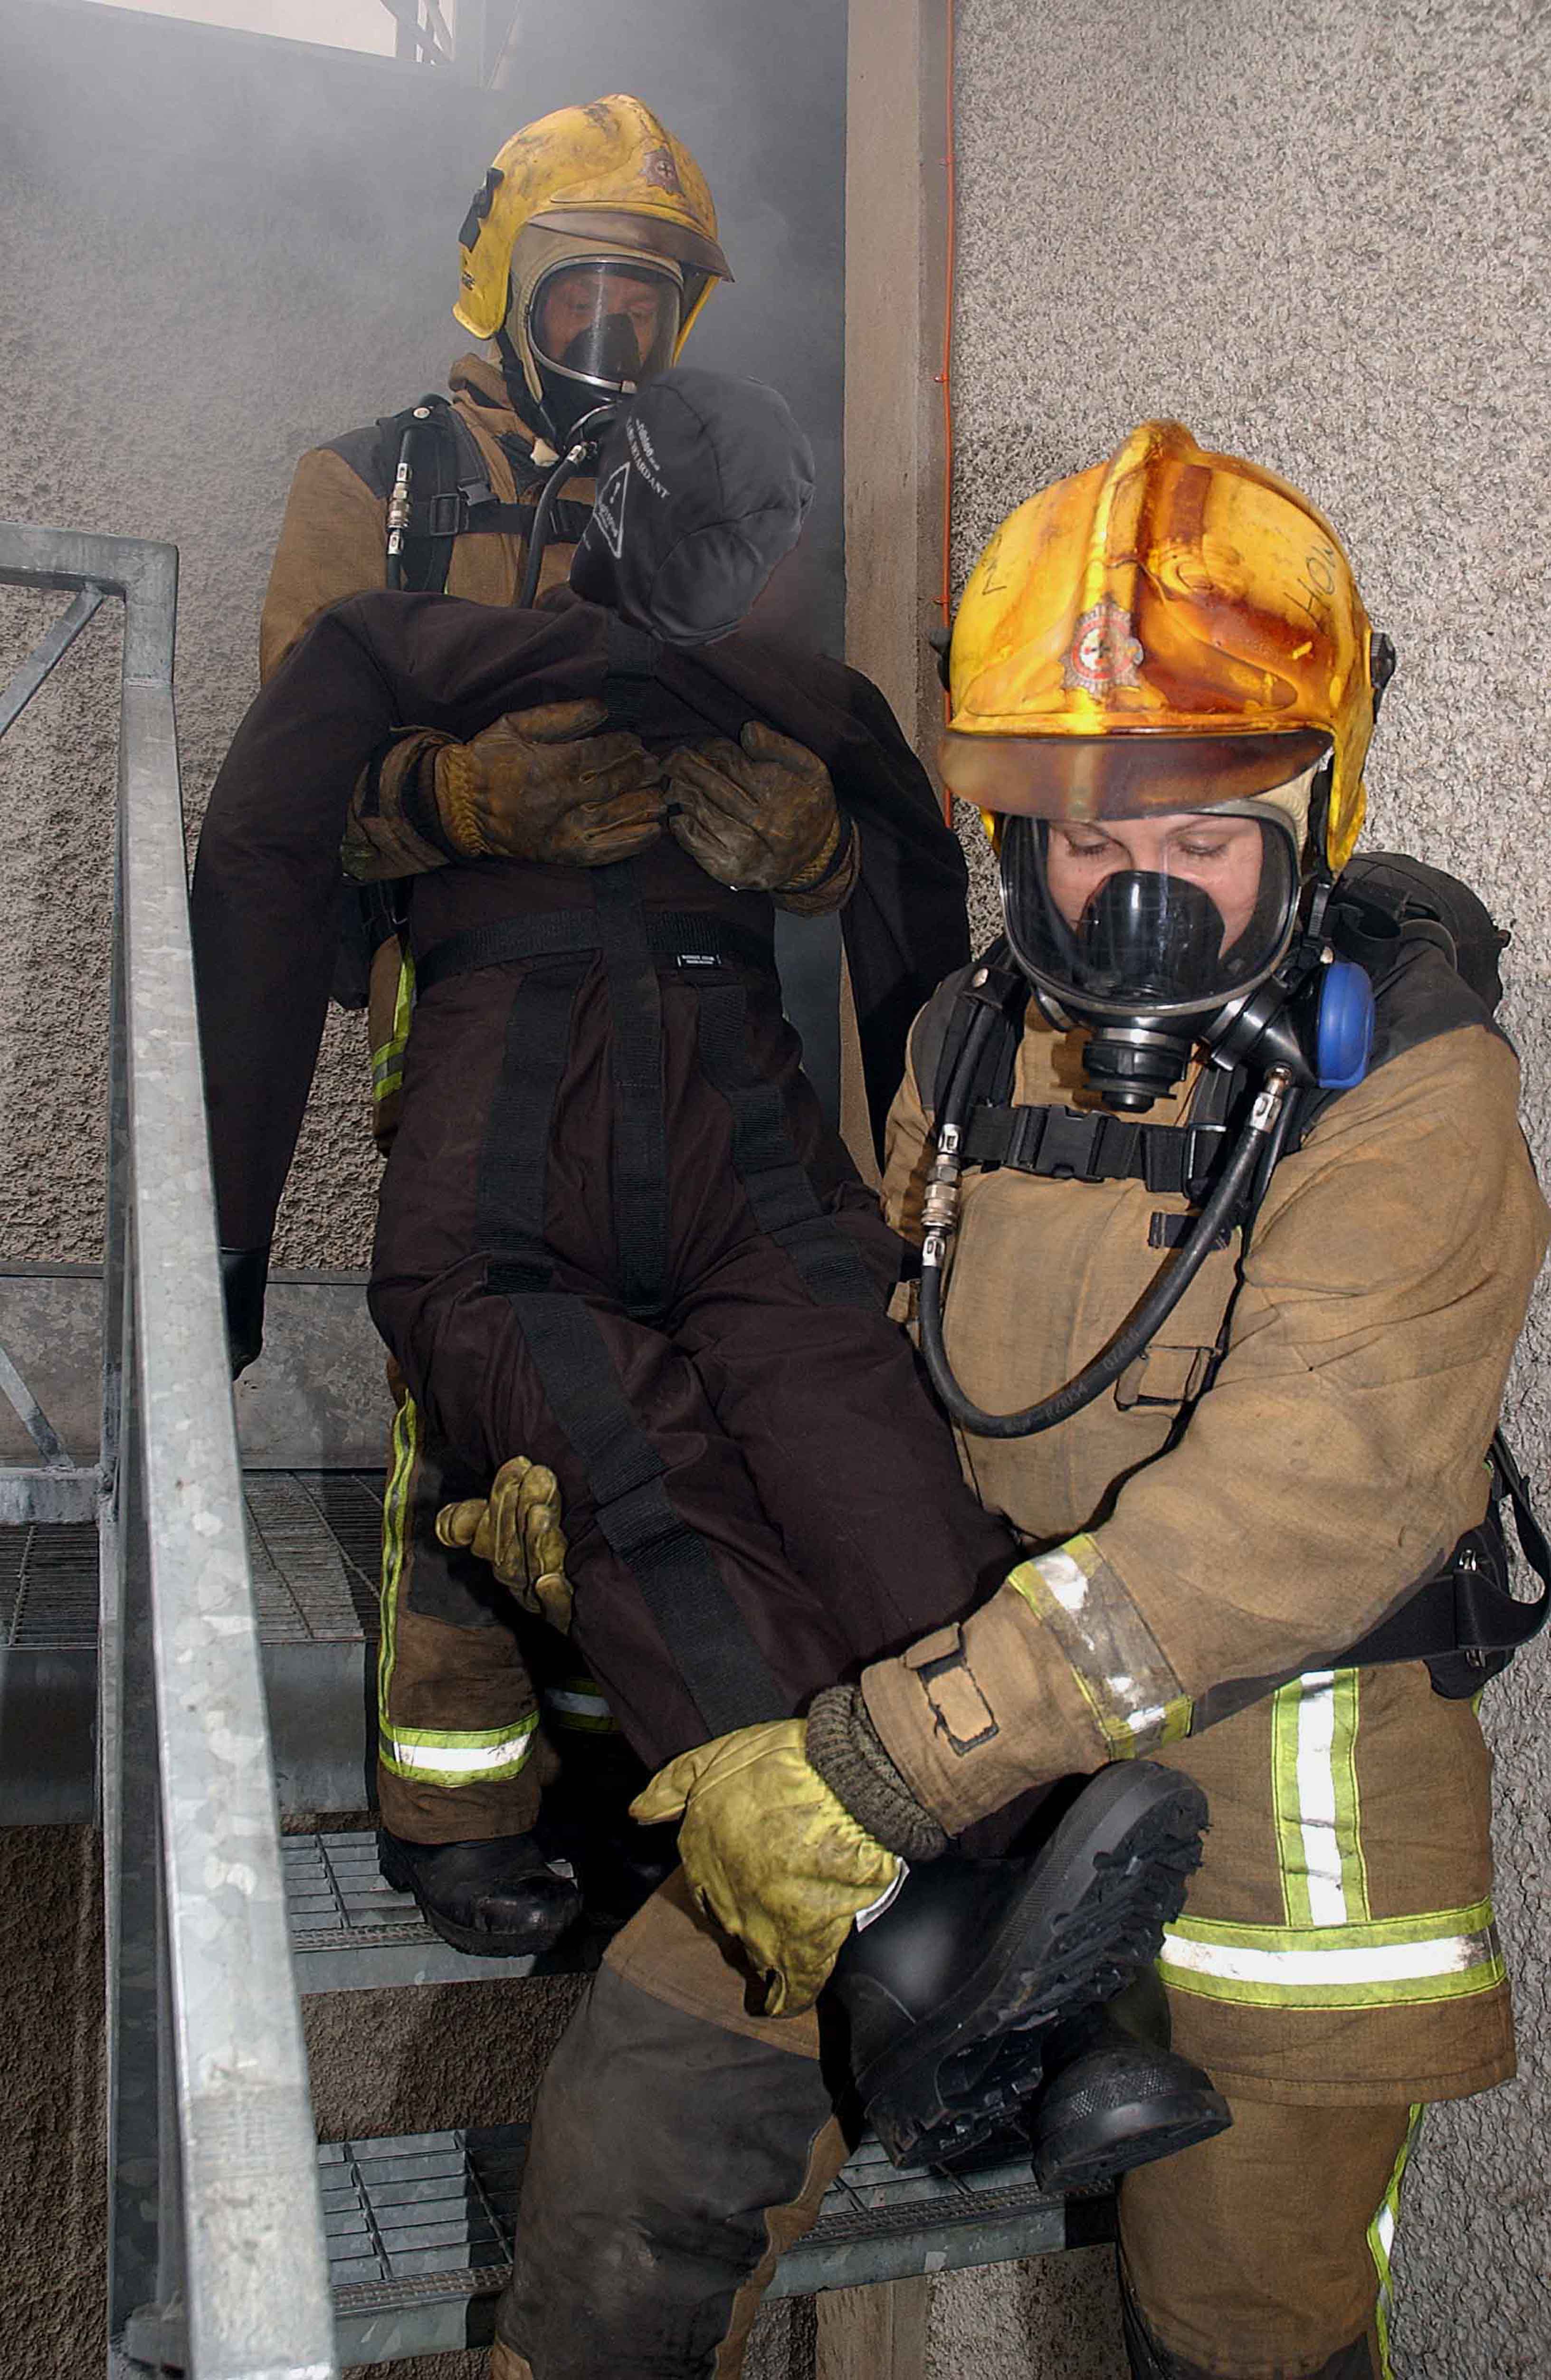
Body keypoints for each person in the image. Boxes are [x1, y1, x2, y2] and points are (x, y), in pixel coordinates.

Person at [475, 420, 1548, 2380]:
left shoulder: (1412, 1088)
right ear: (1014, 825)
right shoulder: (967, 1043)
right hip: (950, 1719)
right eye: (1086, 835)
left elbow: (1291, 1514)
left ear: (1314, 811)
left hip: (1278, 1832)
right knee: (637, 2130)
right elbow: (858, 1384)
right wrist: (650, 1524)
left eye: (1199, 839)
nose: (1132, 896)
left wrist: (898, 1753)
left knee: (1241, 2323)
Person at [197, 377, 1210, 2185]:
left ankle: (1060, 1989)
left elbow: (919, 894)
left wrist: (828, 861)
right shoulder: (402, 635)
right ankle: (909, 1970)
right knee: (641, 1484)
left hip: (741, 1143)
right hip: (517, 1145)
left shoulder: (806, 709)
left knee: (881, 1476)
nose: (742, 566)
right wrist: (232, 1223)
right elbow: (271, 851)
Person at [249, 93, 757, 1955]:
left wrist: (772, 819)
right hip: (462, 999)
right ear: (502, 285)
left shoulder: (707, 491)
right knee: (471, 1396)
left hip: (670, 1018)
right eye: (579, 298)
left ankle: (629, 1779)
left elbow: (751, 727)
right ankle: (448, 1807)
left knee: (648, 1388)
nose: (612, 341)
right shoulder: (374, 484)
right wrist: (464, 804)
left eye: (647, 305)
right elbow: (291, 780)